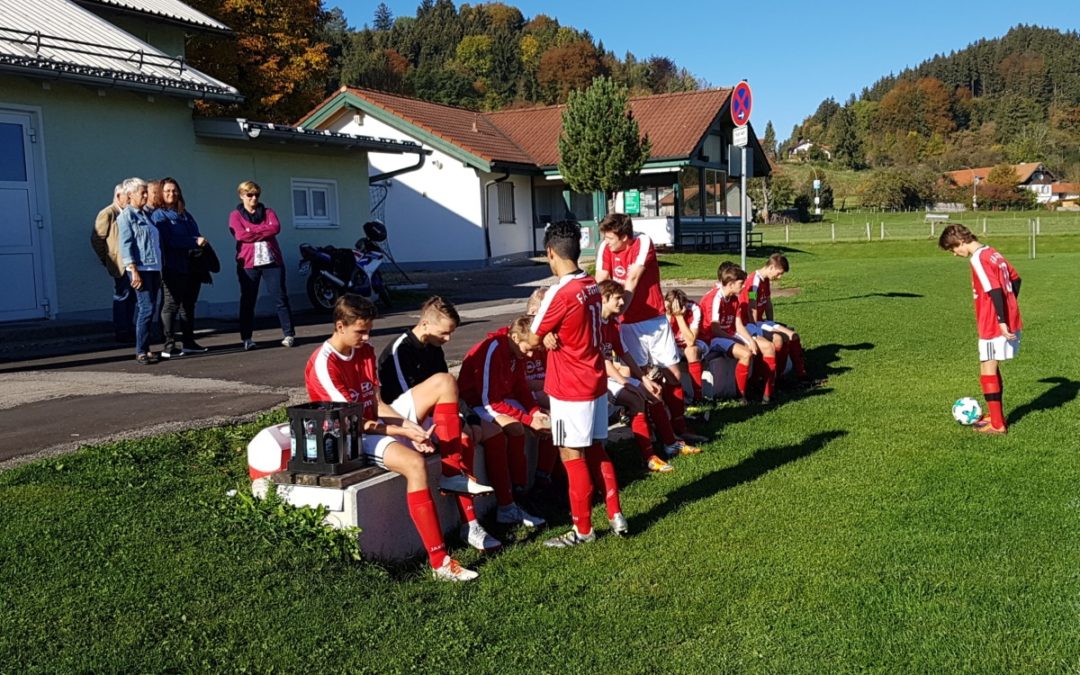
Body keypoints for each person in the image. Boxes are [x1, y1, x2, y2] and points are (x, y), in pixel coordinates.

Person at [306, 294, 478, 581]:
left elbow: (377, 403)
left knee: (445, 382)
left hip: (374, 421)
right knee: (414, 464)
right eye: (360, 331)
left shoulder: (365, 350)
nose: (366, 336)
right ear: (339, 326)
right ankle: (440, 562)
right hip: (347, 436)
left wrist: (411, 427)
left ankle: (451, 471)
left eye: (369, 329)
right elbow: (354, 421)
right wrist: (404, 431)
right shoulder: (324, 362)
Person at [528, 220, 626, 547]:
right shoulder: (590, 285)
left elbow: (531, 336)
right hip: (595, 378)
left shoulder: (561, 291)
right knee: (597, 448)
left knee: (572, 457)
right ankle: (615, 514)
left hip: (570, 386)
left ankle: (582, 530)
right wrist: (555, 333)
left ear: (550, 253)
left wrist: (547, 334)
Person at [376, 296, 501, 552]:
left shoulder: (434, 347)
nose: (448, 339)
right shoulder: (400, 349)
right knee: (462, 439)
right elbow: (406, 396)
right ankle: (471, 524)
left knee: (494, 431)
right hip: (401, 417)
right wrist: (454, 424)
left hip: (433, 413)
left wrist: (469, 418)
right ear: (425, 324)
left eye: (451, 333)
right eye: (444, 333)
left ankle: (509, 504)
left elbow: (450, 391)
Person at [595, 213, 691, 438]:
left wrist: (618, 310)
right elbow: (601, 281)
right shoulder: (605, 248)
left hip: (652, 318)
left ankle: (679, 426)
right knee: (642, 375)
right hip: (627, 324)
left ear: (625, 237)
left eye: (611, 238)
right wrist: (604, 313)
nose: (607, 243)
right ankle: (657, 427)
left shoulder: (642, 241)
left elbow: (632, 280)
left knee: (674, 373)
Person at [458, 316, 548, 530]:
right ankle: (515, 496)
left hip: (497, 398)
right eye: (528, 349)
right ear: (515, 337)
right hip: (476, 401)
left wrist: (534, 413)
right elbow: (489, 399)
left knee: (546, 417)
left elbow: (520, 387)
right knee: (514, 427)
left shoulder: (516, 350)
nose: (530, 355)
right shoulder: (493, 349)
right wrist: (527, 420)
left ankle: (542, 483)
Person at [599, 280, 699, 473]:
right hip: (594, 378)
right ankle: (649, 457)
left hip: (609, 376)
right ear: (605, 298)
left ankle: (670, 444)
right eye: (618, 298)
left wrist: (643, 379)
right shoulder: (593, 324)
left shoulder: (612, 324)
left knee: (654, 391)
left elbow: (625, 353)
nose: (623, 303)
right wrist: (627, 383)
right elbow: (603, 361)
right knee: (636, 398)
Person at [938, 223, 1022, 434]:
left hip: (992, 322)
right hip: (1001, 318)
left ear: (960, 241)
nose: (956, 254)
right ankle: (995, 418)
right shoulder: (992, 253)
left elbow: (994, 288)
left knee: (987, 369)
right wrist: (1010, 306)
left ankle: (997, 424)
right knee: (990, 366)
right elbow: (1015, 279)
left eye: (953, 249)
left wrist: (1001, 320)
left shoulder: (978, 258)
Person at [228, 180, 296, 351]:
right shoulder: (235, 215)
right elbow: (240, 235)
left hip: (272, 261)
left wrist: (252, 231)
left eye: (256, 195)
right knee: (248, 300)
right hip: (249, 263)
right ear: (242, 196)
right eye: (249, 195)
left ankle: (289, 334)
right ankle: (247, 338)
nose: (253, 198)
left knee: (280, 297)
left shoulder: (268, 212)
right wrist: (262, 231)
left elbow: (275, 228)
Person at [153, 177, 209, 358]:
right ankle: (169, 344)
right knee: (171, 305)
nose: (171, 194)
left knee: (188, 305)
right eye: (167, 191)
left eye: (174, 190)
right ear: (161, 193)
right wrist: (193, 241)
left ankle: (189, 341)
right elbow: (169, 241)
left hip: (192, 266)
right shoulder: (159, 215)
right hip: (173, 266)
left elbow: (196, 232)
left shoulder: (185, 214)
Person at [740, 254, 809, 382]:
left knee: (793, 336)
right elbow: (752, 307)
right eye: (778, 273)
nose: (779, 277)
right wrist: (755, 328)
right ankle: (769, 376)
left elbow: (767, 302)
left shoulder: (765, 280)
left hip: (761, 321)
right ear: (771, 267)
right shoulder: (754, 282)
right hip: (750, 322)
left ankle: (799, 374)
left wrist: (771, 321)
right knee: (779, 339)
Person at [699, 263, 761, 404]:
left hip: (728, 332)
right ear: (731, 284)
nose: (745, 286)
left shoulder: (734, 298)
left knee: (759, 346)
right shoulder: (715, 298)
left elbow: (738, 324)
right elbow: (714, 329)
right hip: (712, 337)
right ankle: (741, 394)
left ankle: (757, 384)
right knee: (746, 353)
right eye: (741, 283)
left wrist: (750, 340)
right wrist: (737, 340)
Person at [117, 177, 162, 365]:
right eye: (142, 192)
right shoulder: (126, 216)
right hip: (140, 268)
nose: (146, 195)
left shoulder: (145, 215)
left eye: (146, 192)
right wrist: (133, 269)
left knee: (151, 307)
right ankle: (141, 350)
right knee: (146, 308)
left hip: (153, 267)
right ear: (130, 195)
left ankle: (147, 348)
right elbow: (126, 244)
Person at [91, 183, 135, 344]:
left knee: (131, 298)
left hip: (131, 264)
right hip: (119, 264)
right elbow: (97, 238)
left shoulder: (128, 213)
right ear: (118, 196)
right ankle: (122, 331)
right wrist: (107, 259)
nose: (130, 200)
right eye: (127, 197)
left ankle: (129, 328)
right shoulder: (108, 213)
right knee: (122, 297)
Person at [665, 288, 706, 403]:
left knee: (691, 350)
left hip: (694, 342)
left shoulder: (694, 308)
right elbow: (662, 340)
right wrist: (668, 316)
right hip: (673, 345)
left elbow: (690, 341)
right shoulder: (663, 310)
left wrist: (679, 317)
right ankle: (671, 397)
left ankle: (698, 396)